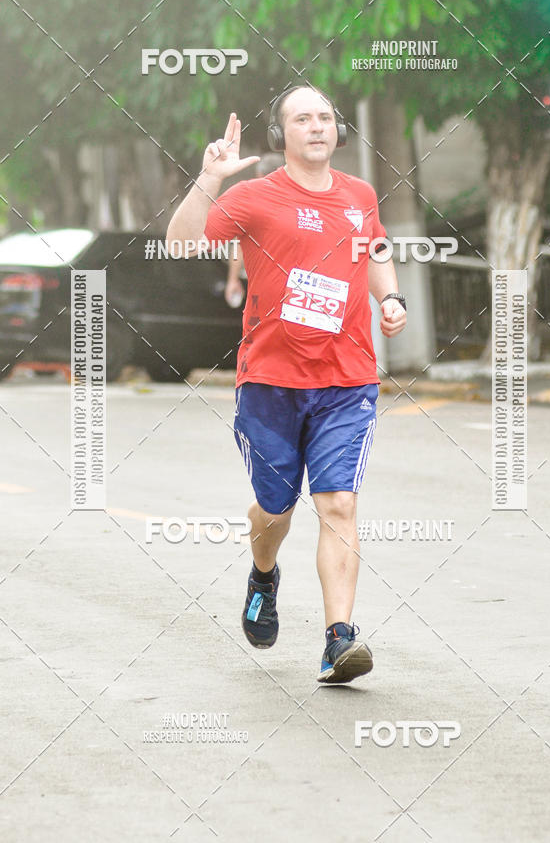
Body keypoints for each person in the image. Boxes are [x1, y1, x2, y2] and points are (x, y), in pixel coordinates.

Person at [166, 86, 406, 683]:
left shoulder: (359, 195)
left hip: (347, 380)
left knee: (339, 503)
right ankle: (264, 575)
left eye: (325, 117)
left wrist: (390, 297)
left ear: (338, 130)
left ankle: (338, 639)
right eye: (303, 119)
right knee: (275, 510)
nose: (317, 127)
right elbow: (181, 243)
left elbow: (374, 247)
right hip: (270, 382)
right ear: (280, 135)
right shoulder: (254, 197)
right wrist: (210, 178)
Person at [224, 153, 283, 308]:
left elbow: (239, 246)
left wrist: (232, 280)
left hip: (262, 285)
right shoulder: (300, 206)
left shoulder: (252, 206)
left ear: (260, 176)